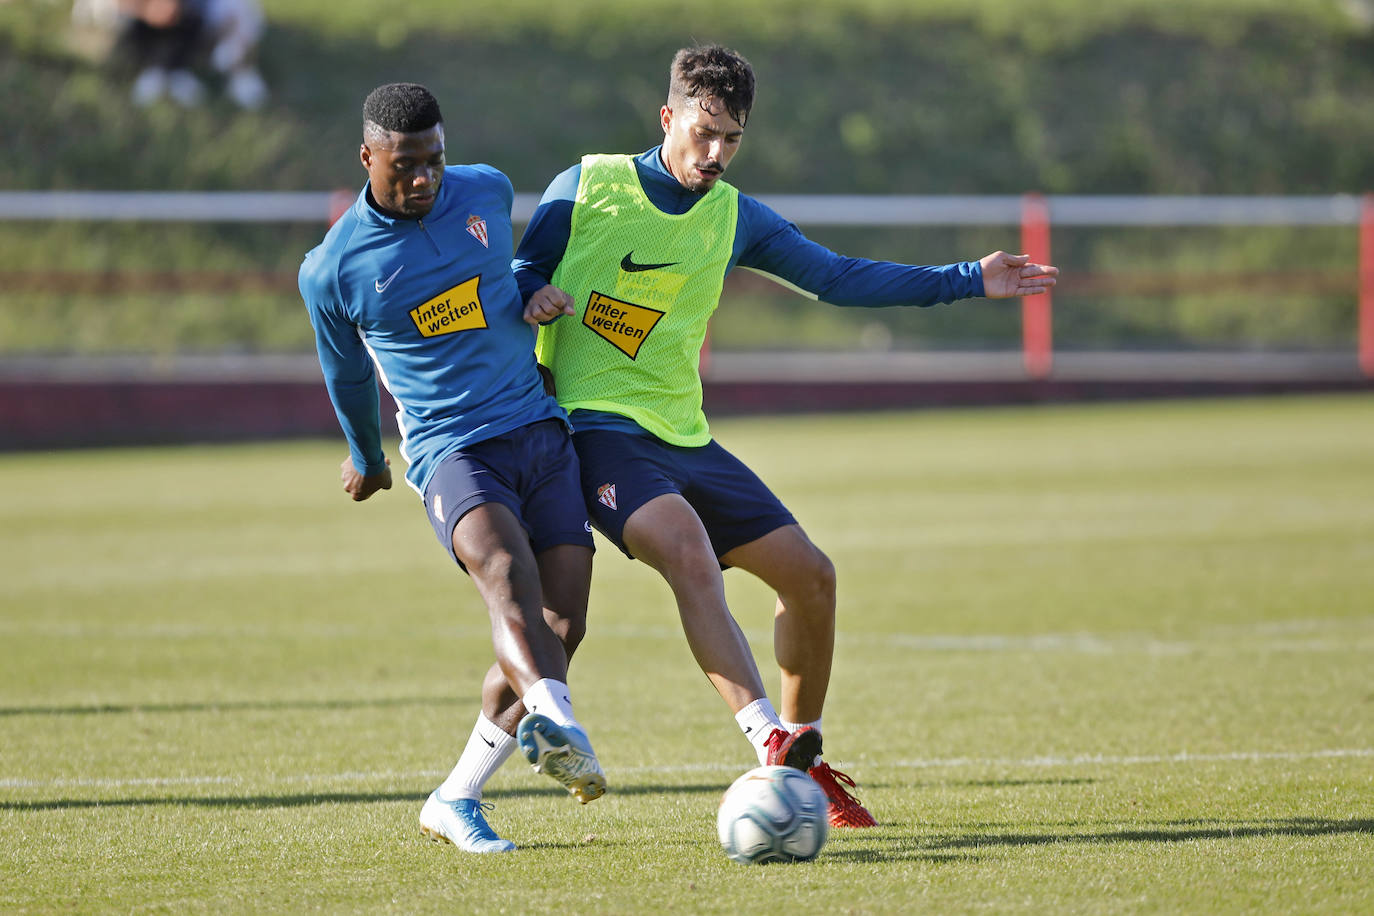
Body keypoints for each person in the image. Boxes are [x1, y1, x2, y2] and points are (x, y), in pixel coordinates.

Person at [512, 45, 1058, 828]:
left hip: (684, 436)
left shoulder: (735, 217)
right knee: (687, 550)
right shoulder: (588, 185)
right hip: (594, 430)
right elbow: (519, 272)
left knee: (812, 579)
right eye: (703, 133)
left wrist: (966, 278)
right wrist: (534, 293)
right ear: (667, 118)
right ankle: (768, 738)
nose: (716, 153)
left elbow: (836, 276)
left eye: (732, 139)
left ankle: (804, 759)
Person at [299, 83, 606, 854]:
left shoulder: (487, 190)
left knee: (562, 620)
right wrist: (368, 459)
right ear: (367, 158)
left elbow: (510, 269)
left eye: (434, 160)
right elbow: (346, 375)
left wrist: (532, 292)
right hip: (451, 449)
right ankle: (560, 723)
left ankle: (455, 796)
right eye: (404, 165)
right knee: (503, 572)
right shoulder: (332, 269)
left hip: (537, 427)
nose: (423, 178)